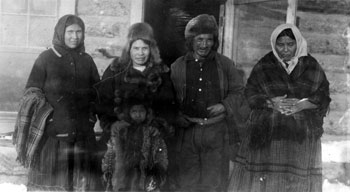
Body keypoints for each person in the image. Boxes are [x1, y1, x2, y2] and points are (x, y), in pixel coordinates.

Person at [228, 23, 331, 192]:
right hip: (268, 135)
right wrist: (270, 103)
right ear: (274, 45)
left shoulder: (311, 65)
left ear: (298, 43)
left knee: (296, 181)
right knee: (267, 181)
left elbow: (323, 96)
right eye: (280, 45)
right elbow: (250, 93)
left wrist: (302, 104)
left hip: (300, 138)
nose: (285, 49)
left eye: (290, 44)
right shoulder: (265, 64)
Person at [13, 14, 101, 191]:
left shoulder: (87, 60)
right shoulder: (45, 58)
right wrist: (49, 118)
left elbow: (96, 93)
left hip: (82, 135)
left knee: (81, 184)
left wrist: (91, 118)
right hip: (52, 137)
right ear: (61, 32)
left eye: (79, 32)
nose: (74, 36)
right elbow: (32, 92)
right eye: (70, 32)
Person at [95, 22, 177, 191]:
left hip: (151, 140)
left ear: (151, 49)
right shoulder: (115, 70)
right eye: (136, 48)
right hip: (120, 139)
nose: (140, 53)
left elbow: (168, 107)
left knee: (149, 183)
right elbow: (102, 102)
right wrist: (112, 125)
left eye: (144, 49)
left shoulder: (161, 73)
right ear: (129, 49)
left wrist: (157, 128)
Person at [170, 14, 246, 192]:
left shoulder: (225, 65)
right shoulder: (178, 66)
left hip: (216, 132)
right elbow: (169, 98)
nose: (204, 45)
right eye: (199, 39)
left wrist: (224, 106)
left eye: (209, 40)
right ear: (191, 41)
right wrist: (177, 115)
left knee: (214, 183)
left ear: (215, 41)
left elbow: (239, 91)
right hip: (188, 133)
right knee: (188, 182)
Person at [101, 87, 169, 191]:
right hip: (123, 176)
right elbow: (111, 153)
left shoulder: (152, 132)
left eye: (141, 111)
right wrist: (108, 171)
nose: (138, 114)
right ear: (129, 113)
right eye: (134, 111)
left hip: (145, 176)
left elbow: (160, 154)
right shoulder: (121, 132)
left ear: (147, 113)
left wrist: (158, 172)